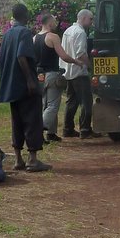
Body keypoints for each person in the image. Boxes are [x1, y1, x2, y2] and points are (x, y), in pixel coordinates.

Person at [0, 2, 49, 172]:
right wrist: (30, 81)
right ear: (25, 16)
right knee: (32, 120)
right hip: (25, 85)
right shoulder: (25, 33)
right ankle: (33, 160)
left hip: (11, 85)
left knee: (17, 121)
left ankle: (18, 159)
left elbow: (1, 60)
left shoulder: (7, 34)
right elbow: (21, 56)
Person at [34, 12, 86, 143]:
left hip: (38, 74)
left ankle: (51, 133)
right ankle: (38, 131)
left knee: (44, 104)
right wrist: (76, 61)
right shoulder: (53, 37)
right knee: (52, 106)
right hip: (51, 74)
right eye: (54, 22)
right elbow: (63, 56)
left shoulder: (34, 38)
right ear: (50, 23)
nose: (56, 24)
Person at [62, 9, 100, 138]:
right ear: (83, 18)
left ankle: (67, 129)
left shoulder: (68, 31)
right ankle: (85, 129)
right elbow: (81, 54)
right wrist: (90, 67)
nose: (91, 22)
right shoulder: (80, 33)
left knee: (71, 101)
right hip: (79, 71)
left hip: (68, 70)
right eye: (90, 19)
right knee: (86, 101)